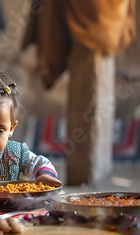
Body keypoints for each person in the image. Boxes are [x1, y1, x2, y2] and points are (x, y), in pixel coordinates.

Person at [22, 0, 136, 185]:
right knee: (85, 97)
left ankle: (89, 179)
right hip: (83, 10)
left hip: (98, 12)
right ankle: (87, 177)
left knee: (92, 93)